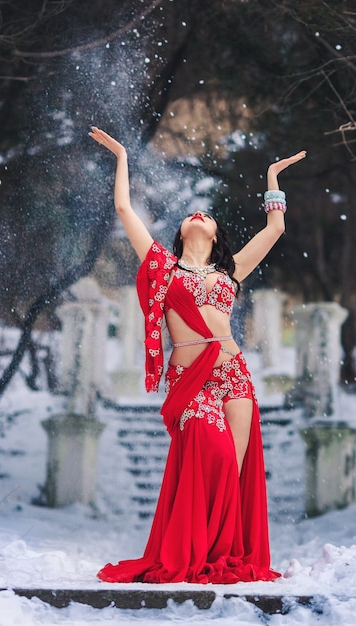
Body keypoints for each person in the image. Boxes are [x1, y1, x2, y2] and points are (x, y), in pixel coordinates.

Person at [89, 126, 306, 584]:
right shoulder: (161, 265)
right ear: (182, 231)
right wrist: (123, 156)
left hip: (234, 376)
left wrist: (272, 179)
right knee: (217, 454)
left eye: (205, 214)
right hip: (192, 379)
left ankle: (218, 553)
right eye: (191, 214)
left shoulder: (231, 271)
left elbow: (276, 227)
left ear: (214, 233)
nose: (198, 214)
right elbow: (124, 208)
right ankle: (190, 551)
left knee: (236, 471)